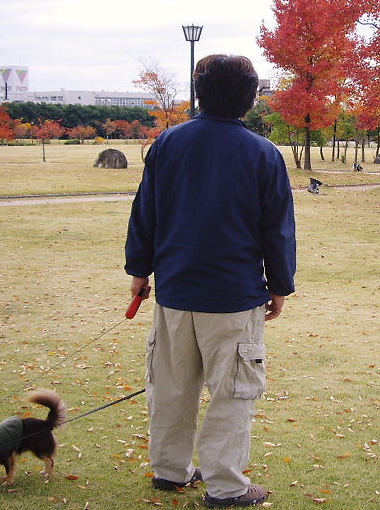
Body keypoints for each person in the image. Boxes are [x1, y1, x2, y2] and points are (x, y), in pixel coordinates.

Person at [124, 54, 296, 507]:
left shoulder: (167, 143)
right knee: (233, 392)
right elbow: (277, 228)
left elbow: (145, 212)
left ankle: (170, 470)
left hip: (175, 293)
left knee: (172, 385)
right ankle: (225, 486)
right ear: (251, 97)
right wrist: (280, 285)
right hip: (233, 298)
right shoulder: (263, 153)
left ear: (199, 93)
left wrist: (139, 270)